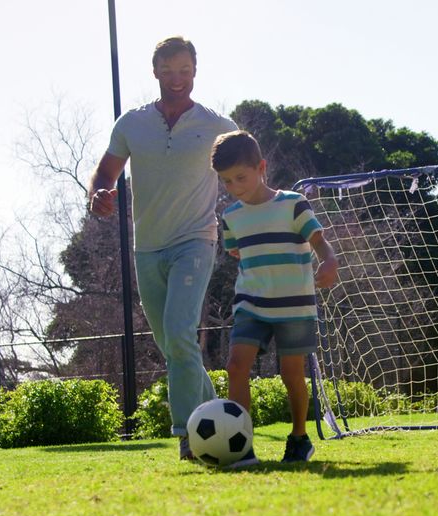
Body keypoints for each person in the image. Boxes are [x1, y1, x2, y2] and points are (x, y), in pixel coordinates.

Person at [88, 37, 238, 460]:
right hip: (147, 248)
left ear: (195, 71)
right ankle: (220, 420)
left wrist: (247, 227)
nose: (177, 79)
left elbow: (246, 174)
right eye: (168, 70)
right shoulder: (131, 125)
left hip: (195, 240)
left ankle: (187, 436)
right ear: (155, 71)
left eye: (185, 70)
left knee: (179, 332)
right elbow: (105, 172)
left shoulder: (218, 127)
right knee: (175, 345)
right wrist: (98, 193)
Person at [211, 130, 339, 465]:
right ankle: (240, 445)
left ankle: (299, 437)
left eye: (241, 177)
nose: (235, 186)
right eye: (226, 182)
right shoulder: (231, 217)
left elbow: (319, 241)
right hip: (251, 303)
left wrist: (328, 259)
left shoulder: (293, 203)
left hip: (294, 305)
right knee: (236, 366)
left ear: (261, 167)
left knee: (291, 374)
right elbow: (239, 252)